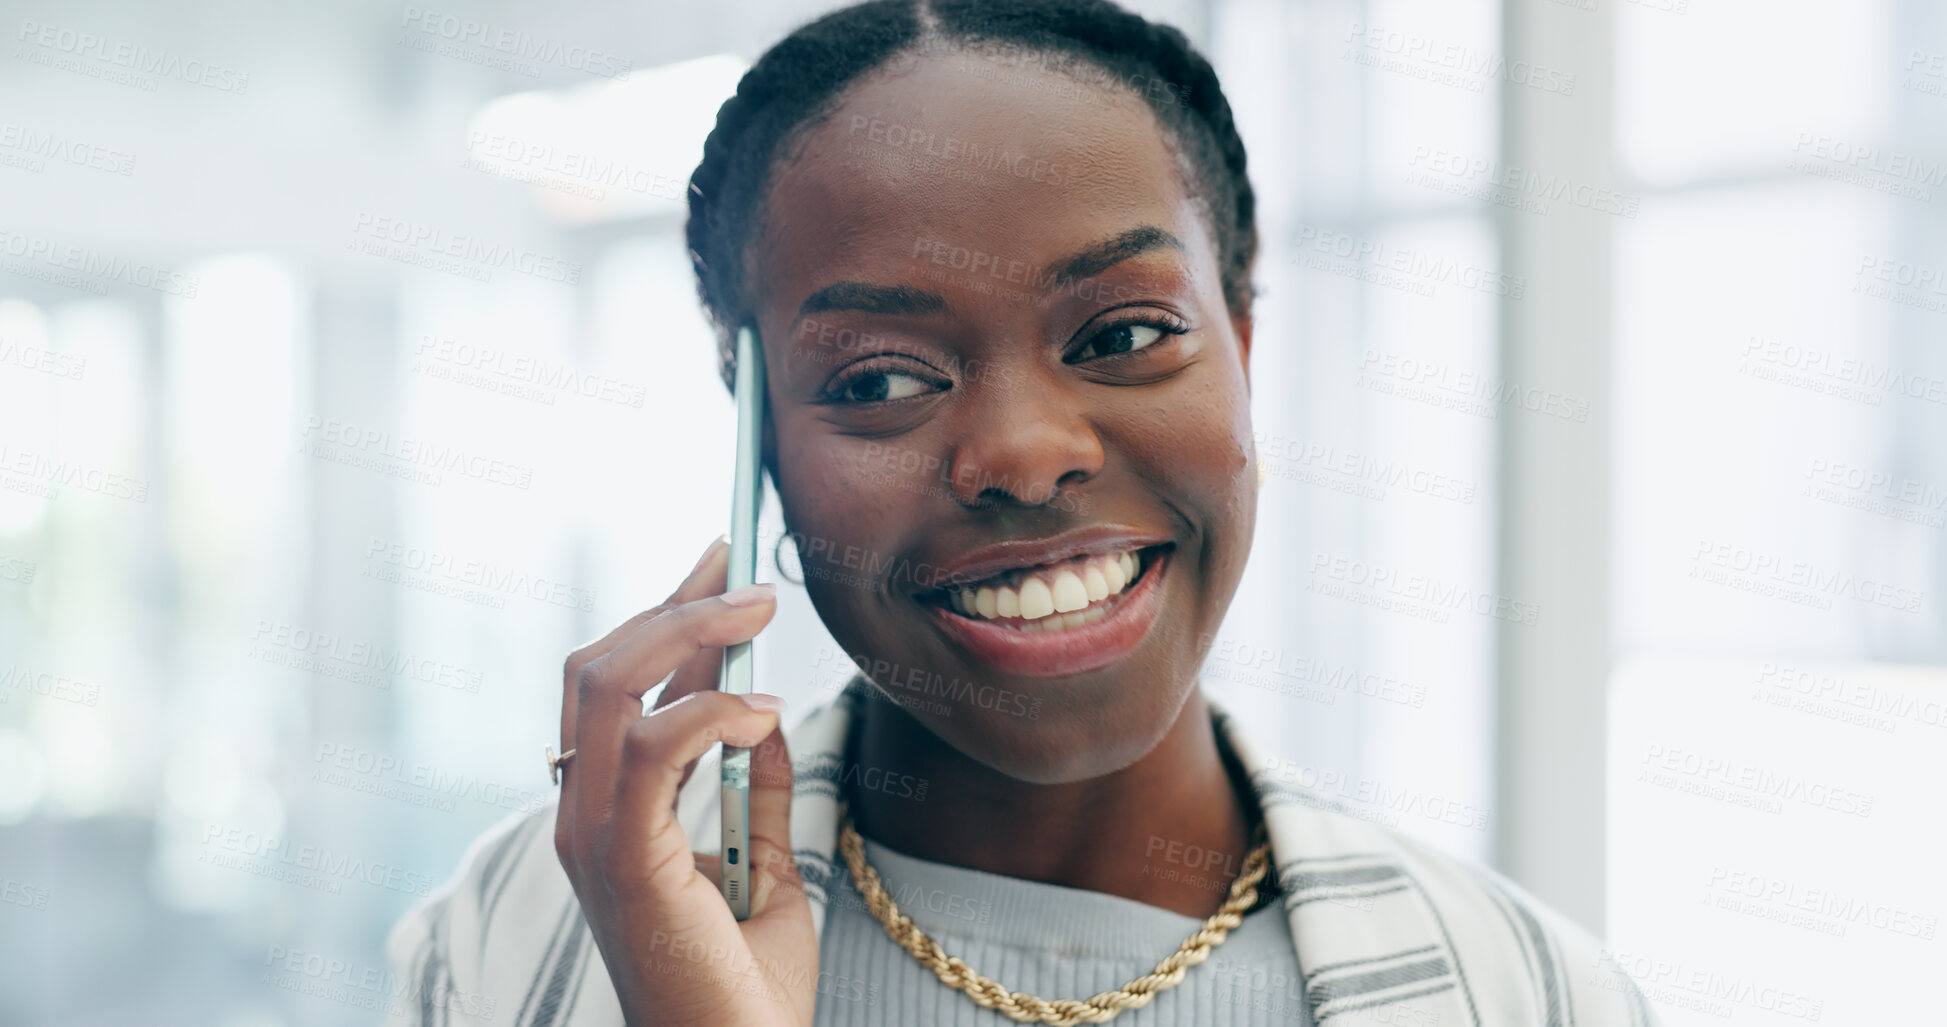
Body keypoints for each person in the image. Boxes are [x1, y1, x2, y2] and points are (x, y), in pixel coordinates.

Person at [382, 1, 1660, 1024]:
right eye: (879, 378)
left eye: (1124, 333)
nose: (1024, 456)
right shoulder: (516, 944)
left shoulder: (1538, 996)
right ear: (757, 435)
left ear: (1244, 347)